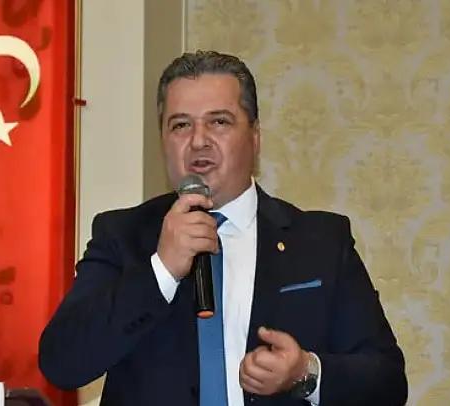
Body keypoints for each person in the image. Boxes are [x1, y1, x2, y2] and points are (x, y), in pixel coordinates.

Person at [38, 50, 408, 406]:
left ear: (255, 137)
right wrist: (160, 270)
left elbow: (388, 382)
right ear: (163, 140)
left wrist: (305, 373)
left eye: (219, 122)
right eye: (181, 125)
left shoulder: (321, 242)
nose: (198, 140)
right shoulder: (122, 235)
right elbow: (61, 362)